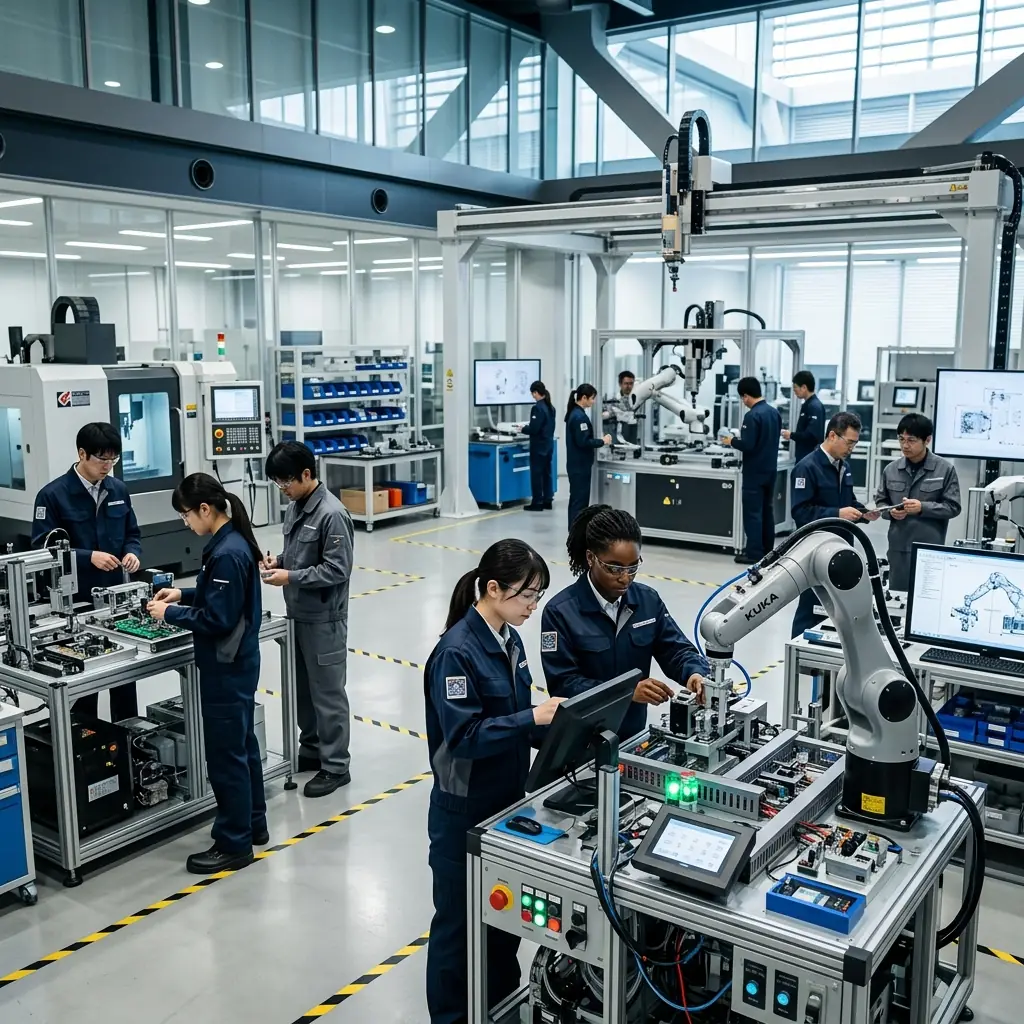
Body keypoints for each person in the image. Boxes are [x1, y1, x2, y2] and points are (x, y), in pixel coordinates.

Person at [423, 540, 565, 1024]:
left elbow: (511, 720)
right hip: (463, 806)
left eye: (538, 597)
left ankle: (501, 1008)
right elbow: (463, 737)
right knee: (458, 927)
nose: (533, 607)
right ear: (492, 589)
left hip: (507, 801)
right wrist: (532, 718)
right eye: (527, 596)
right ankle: (450, 1016)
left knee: (503, 925)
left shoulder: (509, 637)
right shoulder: (456, 654)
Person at [146, 473, 266, 874]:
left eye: (186, 516)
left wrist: (171, 613)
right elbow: (219, 596)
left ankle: (233, 844)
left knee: (226, 757)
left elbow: (217, 617)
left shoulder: (227, 552)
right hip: (239, 663)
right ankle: (253, 824)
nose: (186, 524)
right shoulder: (232, 543)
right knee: (243, 747)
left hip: (225, 667)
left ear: (204, 509)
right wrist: (183, 594)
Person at [541, 505, 708, 741]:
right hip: (582, 739)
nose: (625, 577)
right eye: (614, 568)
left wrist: (694, 674)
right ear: (591, 558)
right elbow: (564, 684)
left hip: (632, 736)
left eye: (633, 567)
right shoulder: (560, 613)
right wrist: (627, 692)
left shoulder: (647, 601)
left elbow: (675, 649)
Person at [261, 441, 355, 797]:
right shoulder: (297, 507)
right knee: (302, 690)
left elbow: (337, 569)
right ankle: (313, 750)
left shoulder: (332, 514)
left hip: (324, 618)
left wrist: (291, 577)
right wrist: (280, 562)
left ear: (306, 474)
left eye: (286, 482)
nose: (283, 490)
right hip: (297, 614)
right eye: (277, 484)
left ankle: (336, 766)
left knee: (328, 694)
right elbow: (299, 553)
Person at [31, 422, 142, 721]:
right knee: (84, 679)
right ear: (82, 454)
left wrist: (133, 552)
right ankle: (87, 747)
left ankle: (128, 747)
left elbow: (132, 533)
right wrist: (86, 557)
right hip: (76, 602)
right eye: (101, 459)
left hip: (116, 600)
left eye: (113, 459)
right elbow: (43, 547)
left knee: (124, 676)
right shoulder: (52, 495)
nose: (108, 466)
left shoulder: (118, 489)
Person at [790, 412, 878, 637]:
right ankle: (799, 654)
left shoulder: (843, 467)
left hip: (842, 551)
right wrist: (838, 513)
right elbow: (801, 512)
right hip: (816, 552)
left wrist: (864, 513)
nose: (852, 448)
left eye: (855, 444)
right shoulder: (806, 468)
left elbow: (847, 502)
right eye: (849, 442)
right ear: (832, 436)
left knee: (839, 611)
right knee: (811, 608)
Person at [874, 414, 961, 591]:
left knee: (927, 601)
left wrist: (922, 507)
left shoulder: (945, 469)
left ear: (927, 440)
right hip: (899, 550)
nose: (905, 445)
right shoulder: (891, 470)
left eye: (911, 440)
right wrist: (889, 512)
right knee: (898, 602)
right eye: (901, 439)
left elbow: (953, 507)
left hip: (930, 550)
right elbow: (881, 503)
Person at [721, 377, 783, 564]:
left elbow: (748, 445)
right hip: (770, 470)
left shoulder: (752, 415)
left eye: (742, 398)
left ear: (746, 396)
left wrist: (731, 440)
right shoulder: (774, 412)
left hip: (754, 473)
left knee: (753, 514)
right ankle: (768, 551)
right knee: (767, 511)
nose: (743, 401)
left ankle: (754, 553)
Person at [565, 384, 612, 531]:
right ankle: (576, 531)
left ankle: (574, 529)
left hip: (576, 464)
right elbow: (583, 442)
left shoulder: (574, 413)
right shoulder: (580, 418)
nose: (593, 402)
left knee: (576, 499)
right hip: (580, 465)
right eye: (592, 399)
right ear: (584, 398)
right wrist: (602, 442)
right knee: (580, 501)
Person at [521, 380, 555, 512]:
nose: (533, 396)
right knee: (547, 474)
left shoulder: (538, 408)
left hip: (538, 447)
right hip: (548, 445)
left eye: (533, 394)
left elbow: (534, 429)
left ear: (536, 392)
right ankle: (547, 500)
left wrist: (522, 429)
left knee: (537, 475)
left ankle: (537, 502)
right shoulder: (551, 407)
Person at [783, 370, 826, 464]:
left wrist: (791, 435)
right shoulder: (807, 405)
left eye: (795, 387)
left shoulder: (814, 406)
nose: (794, 391)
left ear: (804, 387)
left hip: (810, 459)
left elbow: (811, 435)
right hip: (804, 457)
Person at [602, 370, 639, 444]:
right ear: (620, 384)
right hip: (615, 435)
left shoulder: (637, 399)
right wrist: (614, 413)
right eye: (626, 383)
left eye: (631, 383)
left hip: (632, 435)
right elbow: (602, 416)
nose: (629, 386)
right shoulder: (611, 400)